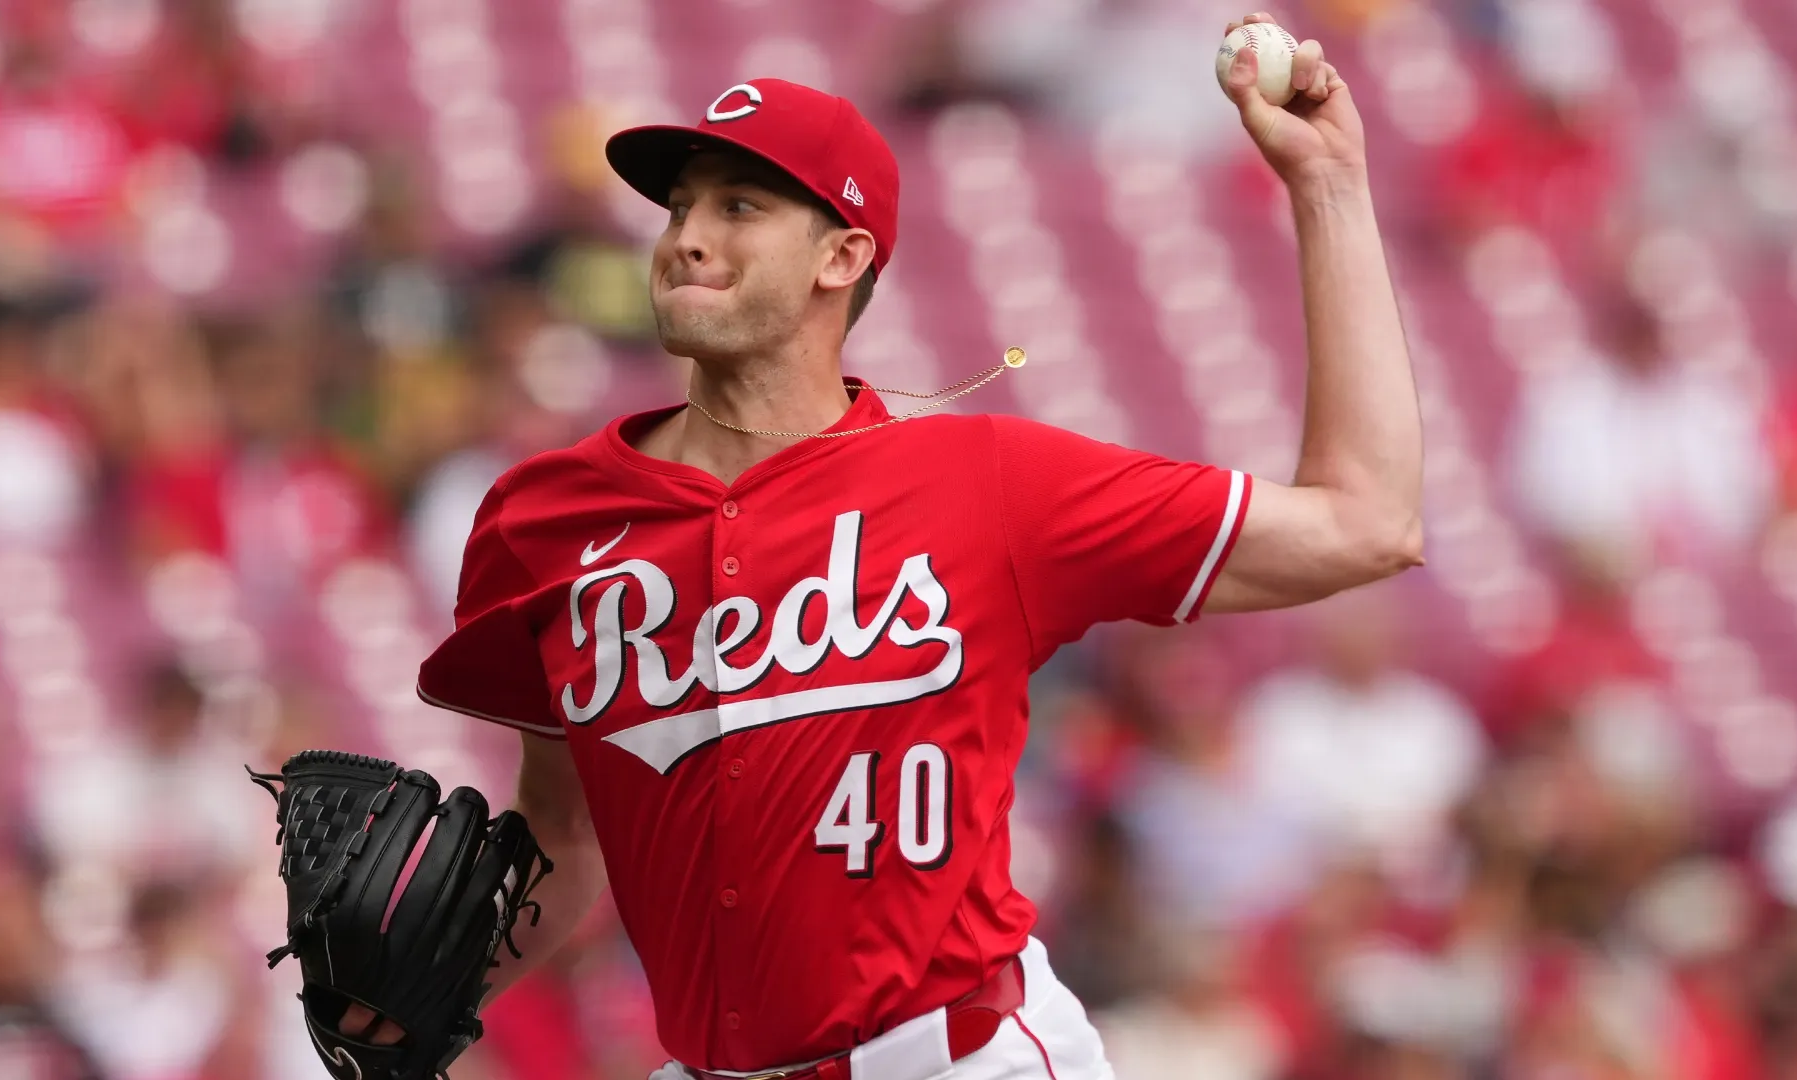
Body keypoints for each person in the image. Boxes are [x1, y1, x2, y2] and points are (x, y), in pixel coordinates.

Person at [379, 12, 1422, 1079]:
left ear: (844, 255)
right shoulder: (544, 521)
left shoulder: (988, 485)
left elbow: (1365, 521)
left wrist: (1329, 186)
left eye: (739, 205)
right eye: (681, 203)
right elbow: (565, 837)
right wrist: (413, 996)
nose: (688, 234)